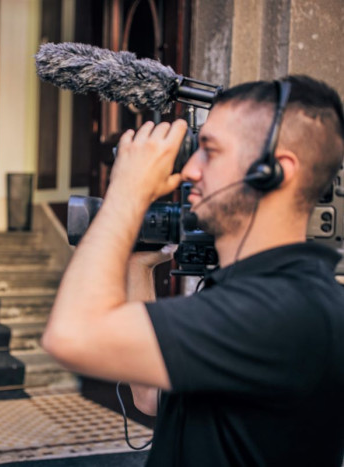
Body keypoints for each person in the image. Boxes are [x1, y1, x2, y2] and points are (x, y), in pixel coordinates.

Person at [42, 75, 344, 466]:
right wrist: (138, 267)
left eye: (210, 151)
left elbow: (71, 336)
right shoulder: (253, 292)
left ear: (274, 170)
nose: (189, 171)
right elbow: (151, 398)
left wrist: (126, 193)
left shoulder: (284, 309)